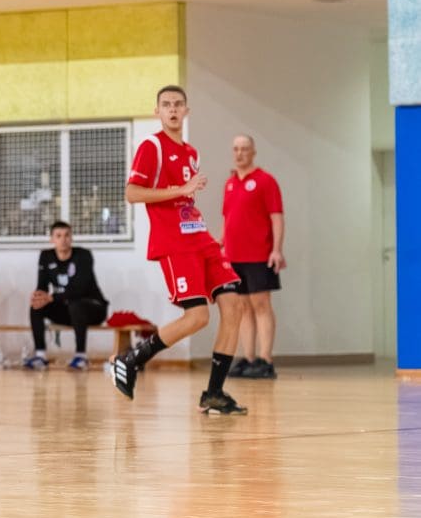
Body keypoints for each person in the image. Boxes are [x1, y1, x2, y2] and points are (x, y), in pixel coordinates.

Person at [110, 85, 247, 415]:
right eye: (166, 104)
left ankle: (214, 393)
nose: (172, 109)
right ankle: (131, 359)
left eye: (178, 104)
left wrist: (207, 229)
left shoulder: (191, 152)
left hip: (200, 238)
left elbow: (186, 200)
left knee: (234, 306)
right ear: (157, 111)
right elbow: (132, 193)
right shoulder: (152, 146)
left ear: (186, 111)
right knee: (198, 317)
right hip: (174, 242)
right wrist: (179, 189)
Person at [221, 135, 285, 380]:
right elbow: (228, 219)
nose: (239, 154)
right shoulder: (229, 183)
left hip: (259, 254)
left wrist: (276, 249)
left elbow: (276, 217)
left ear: (253, 152)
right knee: (242, 307)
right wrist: (221, 244)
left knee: (261, 304)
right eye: (236, 149)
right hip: (234, 256)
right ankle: (248, 358)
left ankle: (265, 359)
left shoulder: (265, 181)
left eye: (244, 149)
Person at [24, 221, 109, 372]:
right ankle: (40, 355)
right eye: (58, 236)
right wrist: (38, 296)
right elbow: (42, 286)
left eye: (67, 235)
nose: (63, 239)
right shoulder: (46, 256)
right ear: (52, 239)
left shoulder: (83, 255)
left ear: (71, 237)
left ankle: (81, 356)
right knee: (36, 306)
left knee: (76, 304)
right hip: (68, 310)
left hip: (93, 308)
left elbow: (80, 289)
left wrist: (51, 297)